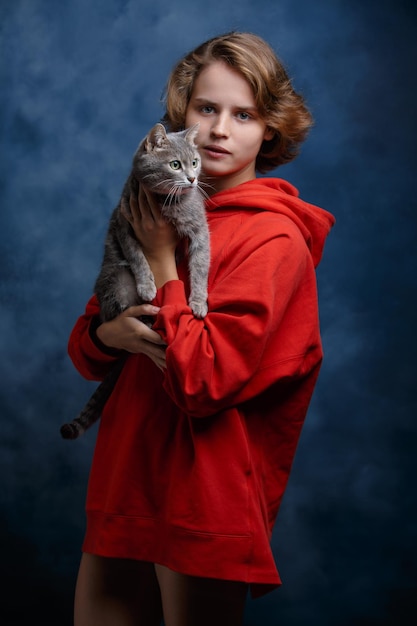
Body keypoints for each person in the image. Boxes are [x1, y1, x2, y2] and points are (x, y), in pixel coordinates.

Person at [68, 31, 335, 626]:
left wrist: (164, 262)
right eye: (207, 108)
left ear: (270, 129)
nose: (220, 129)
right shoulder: (158, 202)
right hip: (124, 485)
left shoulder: (274, 238)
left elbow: (203, 383)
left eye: (244, 114)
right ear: (183, 112)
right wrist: (106, 338)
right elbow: (88, 346)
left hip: (203, 500)